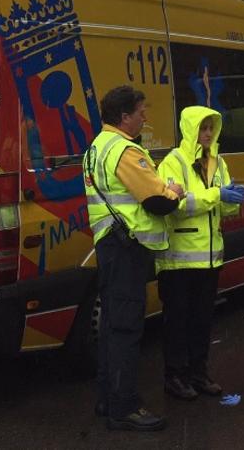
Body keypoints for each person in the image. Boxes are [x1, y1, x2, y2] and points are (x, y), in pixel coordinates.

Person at [85, 86, 184, 432]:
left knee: (113, 327)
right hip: (126, 247)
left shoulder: (97, 146)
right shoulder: (126, 150)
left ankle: (108, 399)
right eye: (141, 112)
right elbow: (157, 201)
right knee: (126, 328)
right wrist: (176, 192)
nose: (145, 117)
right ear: (124, 116)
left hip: (110, 245)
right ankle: (125, 407)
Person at [156, 107, 244, 400]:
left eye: (211, 128)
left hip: (209, 257)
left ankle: (198, 373)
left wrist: (234, 199)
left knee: (202, 321)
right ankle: (175, 376)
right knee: (178, 322)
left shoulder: (217, 162)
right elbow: (177, 205)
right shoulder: (174, 162)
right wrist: (217, 195)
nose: (207, 134)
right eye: (202, 128)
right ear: (189, 129)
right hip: (179, 259)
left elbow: (223, 209)